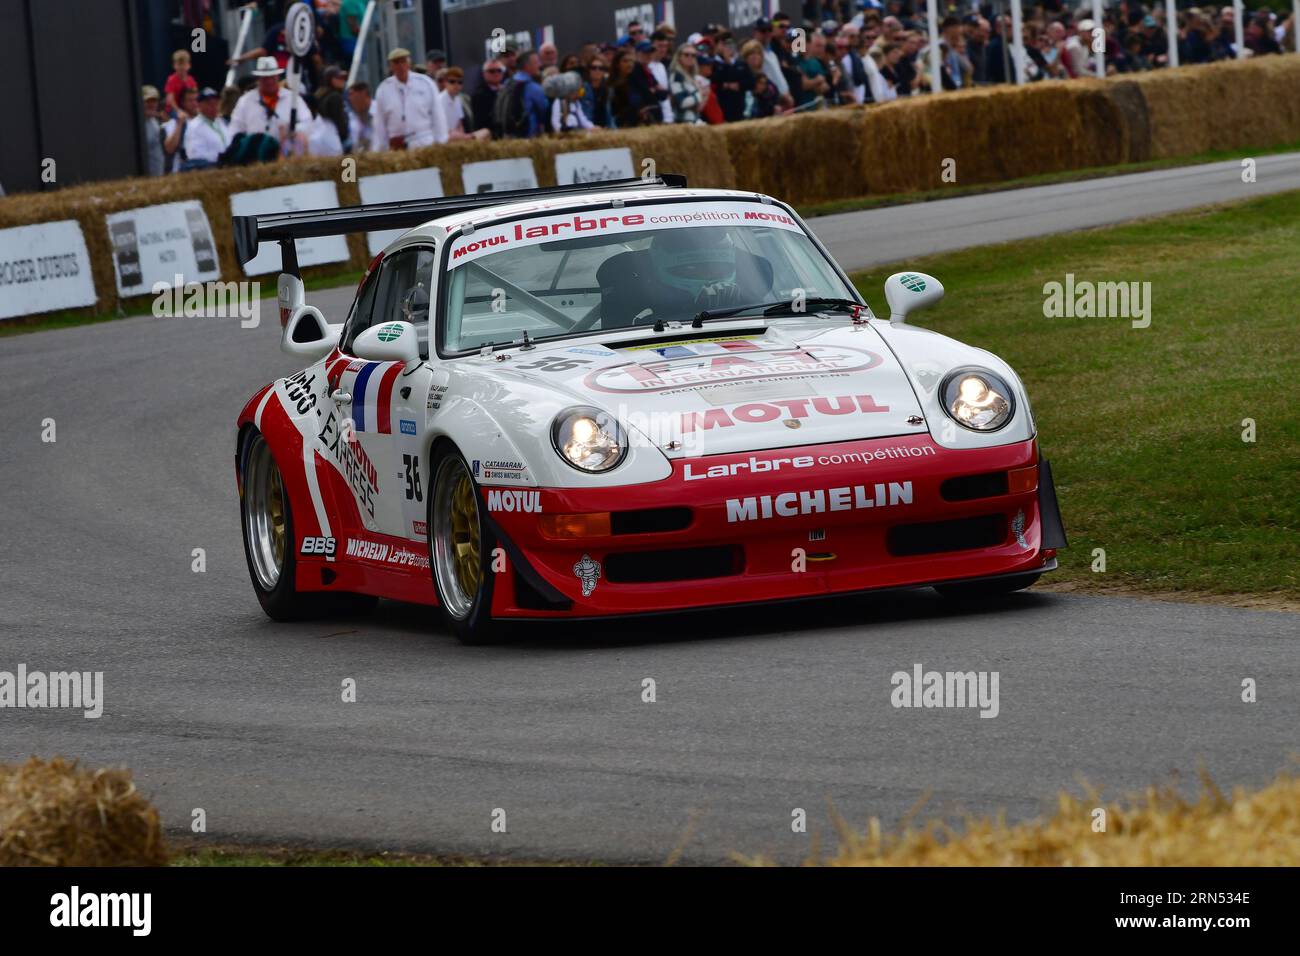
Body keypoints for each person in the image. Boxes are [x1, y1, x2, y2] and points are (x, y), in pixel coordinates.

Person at [228, 56, 312, 157]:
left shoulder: (293, 98)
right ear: (259, 79)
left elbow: (307, 121)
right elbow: (235, 130)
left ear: (277, 76)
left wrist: (292, 130)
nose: (269, 81)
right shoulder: (245, 101)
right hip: (256, 155)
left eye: (272, 77)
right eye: (265, 78)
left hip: (286, 154)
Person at [372, 47, 449, 149]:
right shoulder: (383, 89)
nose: (400, 66)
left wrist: (441, 141)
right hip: (397, 144)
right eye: (396, 62)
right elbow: (380, 123)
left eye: (403, 61)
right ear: (391, 66)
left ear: (409, 63)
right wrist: (380, 148)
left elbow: (437, 114)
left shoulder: (425, 83)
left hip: (424, 140)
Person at [179, 87, 229, 170]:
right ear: (200, 105)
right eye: (209, 103)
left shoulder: (222, 122)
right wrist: (221, 157)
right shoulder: (194, 126)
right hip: (211, 170)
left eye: (216, 103)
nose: (213, 106)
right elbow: (195, 155)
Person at [442, 67, 490, 140]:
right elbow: (442, 129)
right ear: (445, 83)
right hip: (445, 136)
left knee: (486, 132)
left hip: (457, 136)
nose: (456, 85)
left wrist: (463, 137)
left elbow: (460, 124)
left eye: (460, 82)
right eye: (452, 81)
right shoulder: (440, 100)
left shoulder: (458, 99)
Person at [163, 86, 199, 173]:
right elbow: (169, 148)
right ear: (182, 103)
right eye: (190, 100)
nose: (194, 103)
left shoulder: (203, 121)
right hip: (181, 170)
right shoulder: (173, 123)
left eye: (196, 100)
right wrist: (179, 124)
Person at [668, 43, 704, 124]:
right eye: (686, 54)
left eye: (693, 55)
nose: (690, 57)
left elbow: (699, 106)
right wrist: (699, 95)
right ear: (679, 57)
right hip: (683, 122)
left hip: (695, 119)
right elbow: (682, 102)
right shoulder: (676, 75)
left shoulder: (692, 76)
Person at [580, 54, 614, 128]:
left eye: (601, 68)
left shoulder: (608, 89)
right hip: (588, 126)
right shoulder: (582, 88)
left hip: (605, 127)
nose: (597, 70)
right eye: (593, 68)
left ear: (604, 71)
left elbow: (609, 113)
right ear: (589, 70)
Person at [164, 49, 198, 114]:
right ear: (174, 65)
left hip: (187, 108)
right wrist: (178, 111)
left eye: (184, 64)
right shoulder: (171, 80)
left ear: (189, 65)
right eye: (179, 64)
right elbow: (170, 100)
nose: (182, 67)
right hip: (173, 110)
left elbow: (195, 96)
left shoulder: (191, 80)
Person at [142, 86, 166, 177]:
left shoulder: (156, 121)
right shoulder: (136, 126)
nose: (151, 104)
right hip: (145, 177)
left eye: (154, 101)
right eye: (148, 101)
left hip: (159, 174)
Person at [346, 81, 375, 151]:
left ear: (364, 95)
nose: (350, 99)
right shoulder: (350, 118)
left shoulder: (380, 112)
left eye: (355, 99)